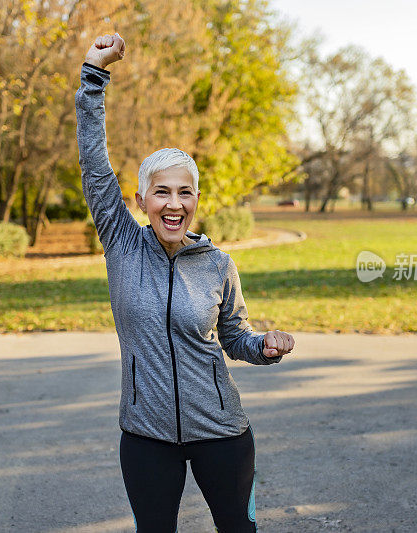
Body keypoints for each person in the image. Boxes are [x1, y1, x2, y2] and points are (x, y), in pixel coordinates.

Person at [75, 32, 295, 533]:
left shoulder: (218, 263)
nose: (174, 203)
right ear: (141, 198)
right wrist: (93, 76)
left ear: (195, 199)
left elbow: (236, 339)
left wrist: (266, 346)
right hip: (146, 434)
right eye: (162, 193)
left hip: (221, 431)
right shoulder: (123, 244)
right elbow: (93, 165)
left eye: (184, 192)